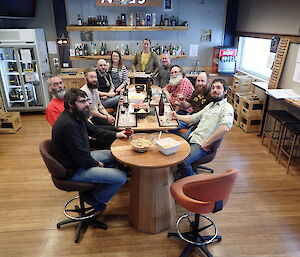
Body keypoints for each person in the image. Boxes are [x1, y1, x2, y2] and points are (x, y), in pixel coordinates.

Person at [52, 88, 127, 212]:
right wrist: (98, 164)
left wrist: (116, 135)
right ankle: (94, 197)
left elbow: (94, 130)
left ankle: (97, 186)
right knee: (121, 177)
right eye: (82, 101)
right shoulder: (68, 125)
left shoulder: (76, 115)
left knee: (116, 155)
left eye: (87, 100)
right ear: (70, 104)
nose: (87, 104)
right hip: (74, 169)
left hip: (80, 159)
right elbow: (81, 158)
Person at [174, 78, 234, 178]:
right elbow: (193, 118)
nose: (215, 90)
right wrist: (176, 116)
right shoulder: (210, 105)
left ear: (225, 91)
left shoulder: (226, 107)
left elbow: (225, 128)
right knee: (172, 137)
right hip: (193, 136)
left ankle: (192, 183)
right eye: (213, 88)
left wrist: (207, 142)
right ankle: (182, 174)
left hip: (202, 144)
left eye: (218, 88)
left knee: (183, 162)